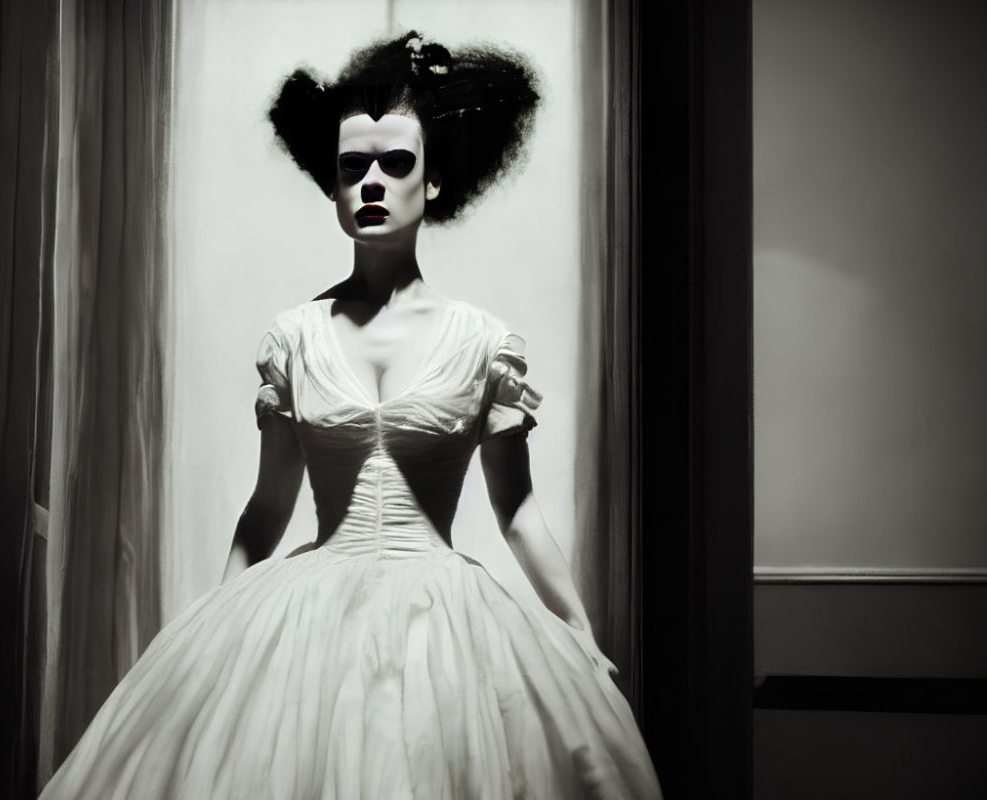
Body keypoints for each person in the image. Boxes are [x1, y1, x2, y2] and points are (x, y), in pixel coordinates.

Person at [40, 31, 662, 799]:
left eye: (396, 163)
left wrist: (578, 633)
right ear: (332, 187)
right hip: (305, 611)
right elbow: (269, 505)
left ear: (434, 181)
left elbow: (518, 508)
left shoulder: (483, 342)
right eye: (351, 168)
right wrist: (212, 630)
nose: (372, 182)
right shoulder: (296, 336)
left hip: (445, 622)